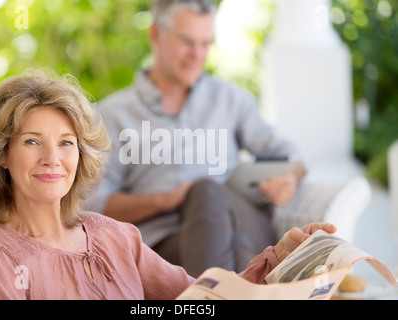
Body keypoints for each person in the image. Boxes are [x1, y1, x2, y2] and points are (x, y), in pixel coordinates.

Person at [0, 71, 336, 300]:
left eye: (65, 142)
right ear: (3, 154)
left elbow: (201, 297)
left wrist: (280, 256)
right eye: (31, 141)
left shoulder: (115, 237)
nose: (52, 158)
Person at [84, 0, 307, 277]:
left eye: (205, 44)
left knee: (206, 192)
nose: (197, 55)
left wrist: (290, 177)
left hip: (240, 224)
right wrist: (164, 200)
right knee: (219, 237)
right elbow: (92, 203)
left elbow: (291, 155)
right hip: (167, 243)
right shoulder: (112, 114)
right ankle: (241, 286)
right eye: (187, 42)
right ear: (155, 34)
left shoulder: (230, 99)